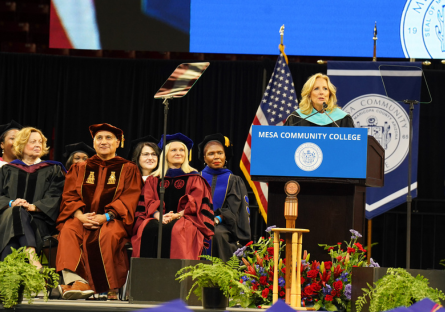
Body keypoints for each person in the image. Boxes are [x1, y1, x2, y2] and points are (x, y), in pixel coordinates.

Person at [56, 123, 142, 300]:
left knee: (108, 235)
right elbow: (69, 195)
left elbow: (129, 198)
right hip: (82, 217)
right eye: (99, 138)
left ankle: (108, 287)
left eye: (108, 138)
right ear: (93, 143)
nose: (104, 142)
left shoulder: (128, 168)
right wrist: (80, 216)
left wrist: (106, 216)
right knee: (69, 230)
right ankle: (76, 282)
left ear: (118, 142)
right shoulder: (80, 168)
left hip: (113, 219)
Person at [131, 133, 214, 260]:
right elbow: (147, 202)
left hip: (186, 219)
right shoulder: (154, 179)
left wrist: (177, 215)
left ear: (186, 155)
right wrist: (158, 216)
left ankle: (179, 278)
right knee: (147, 228)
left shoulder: (195, 178)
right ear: (165, 155)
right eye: (173, 150)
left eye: (182, 150)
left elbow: (196, 204)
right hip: (157, 217)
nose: (178, 153)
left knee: (178, 230)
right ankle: (146, 277)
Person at [0, 127, 65, 268]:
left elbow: (56, 196)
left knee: (12, 235)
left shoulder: (53, 169)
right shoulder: (7, 170)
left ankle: (6, 282)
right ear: (21, 145)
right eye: (32, 141)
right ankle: (32, 256)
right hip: (7, 219)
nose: (38, 145)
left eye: (40, 142)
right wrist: (11, 203)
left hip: (37, 221)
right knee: (16, 210)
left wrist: (33, 207)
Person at [198, 134, 251, 261]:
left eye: (220, 153)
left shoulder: (233, 180)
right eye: (211, 154)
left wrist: (216, 219)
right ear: (204, 158)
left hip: (222, 224)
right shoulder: (196, 178)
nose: (216, 157)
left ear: (225, 156)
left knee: (216, 234)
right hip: (197, 221)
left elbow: (233, 209)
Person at [284, 73, 354, 127]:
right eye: (316, 88)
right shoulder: (296, 118)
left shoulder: (342, 118)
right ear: (309, 95)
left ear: (329, 94)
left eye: (325, 89)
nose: (321, 92)